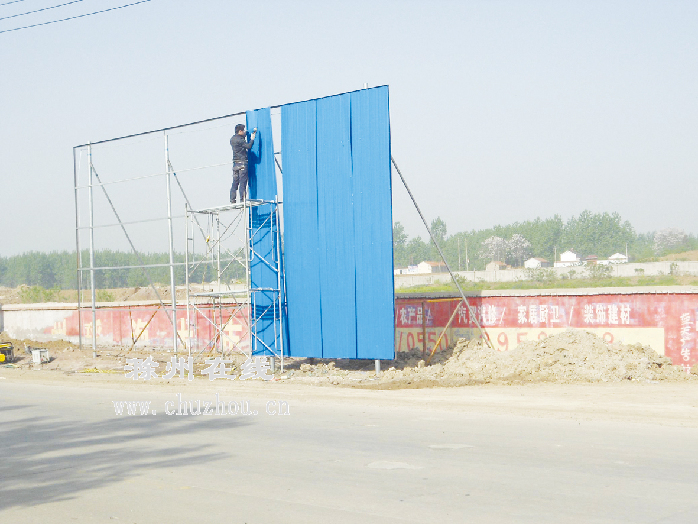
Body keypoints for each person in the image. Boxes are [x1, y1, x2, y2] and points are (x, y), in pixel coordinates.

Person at [229, 124, 257, 203]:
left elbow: (240, 142)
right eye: (243, 130)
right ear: (240, 131)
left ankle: (232, 200)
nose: (244, 132)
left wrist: (247, 133)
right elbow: (248, 146)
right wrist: (252, 139)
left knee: (235, 183)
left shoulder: (232, 139)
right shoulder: (240, 140)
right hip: (242, 164)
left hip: (235, 164)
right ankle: (242, 200)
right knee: (242, 183)